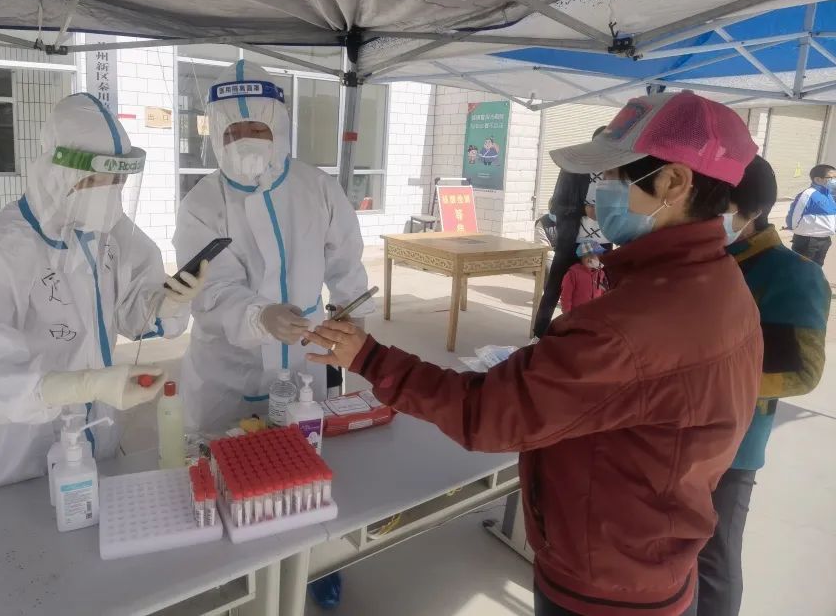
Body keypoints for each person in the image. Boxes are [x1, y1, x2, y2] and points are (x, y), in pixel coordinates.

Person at [304, 91, 762, 616]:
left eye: (614, 176)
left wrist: (369, 358)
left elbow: (488, 413)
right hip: (656, 553)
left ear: (675, 182)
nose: (600, 192)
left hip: (605, 583)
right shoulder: (721, 283)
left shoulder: (631, 325)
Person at [0, 93, 206, 498]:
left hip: (95, 436)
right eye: (95, 180)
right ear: (57, 173)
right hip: (12, 456)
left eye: (117, 182)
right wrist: (84, 385)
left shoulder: (108, 233)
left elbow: (132, 311)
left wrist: (167, 303)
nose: (108, 193)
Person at [173, 60, 372, 435]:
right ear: (216, 134)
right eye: (233, 131)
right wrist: (258, 318)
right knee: (225, 452)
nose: (245, 139)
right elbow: (210, 289)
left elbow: (345, 257)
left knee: (305, 444)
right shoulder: (202, 204)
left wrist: (352, 312)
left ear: (278, 127)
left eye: (257, 128)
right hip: (230, 364)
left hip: (305, 351)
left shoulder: (316, 187)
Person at [697, 156, 829, 615]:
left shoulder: (792, 274)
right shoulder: (706, 261)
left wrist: (702, 383)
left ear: (750, 210)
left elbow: (801, 371)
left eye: (712, 205)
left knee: (714, 556)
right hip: (675, 433)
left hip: (733, 445)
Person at [532, 127, 610, 337]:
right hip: (572, 240)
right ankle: (539, 336)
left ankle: (593, 335)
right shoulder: (573, 168)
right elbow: (557, 205)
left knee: (601, 290)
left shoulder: (617, 170)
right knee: (553, 289)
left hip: (604, 242)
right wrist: (585, 210)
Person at [785, 163, 836, 266]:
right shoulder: (808, 194)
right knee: (802, 268)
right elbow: (794, 215)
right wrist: (796, 230)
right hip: (808, 241)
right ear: (817, 179)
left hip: (825, 239)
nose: (834, 181)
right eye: (832, 178)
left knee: (817, 268)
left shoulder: (829, 195)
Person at [558, 240, 606, 313]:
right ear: (581, 258)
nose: (590, 258)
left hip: (595, 313)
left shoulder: (601, 273)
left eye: (594, 255)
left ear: (599, 258)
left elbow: (602, 291)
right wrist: (567, 314)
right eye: (586, 256)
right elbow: (566, 296)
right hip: (577, 314)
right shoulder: (572, 273)